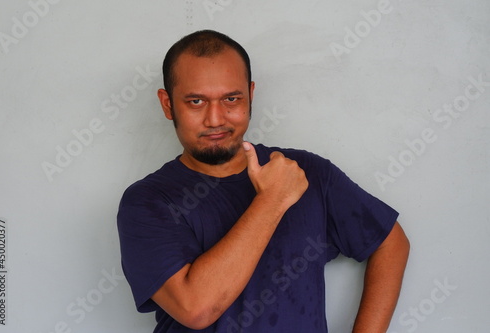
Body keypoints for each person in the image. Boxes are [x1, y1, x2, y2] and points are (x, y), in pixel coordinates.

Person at [117, 29, 410, 333]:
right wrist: (272, 200)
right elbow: (195, 309)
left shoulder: (304, 171)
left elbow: (390, 241)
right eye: (196, 102)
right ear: (167, 104)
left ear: (251, 94)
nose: (215, 118)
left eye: (231, 98)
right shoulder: (147, 202)